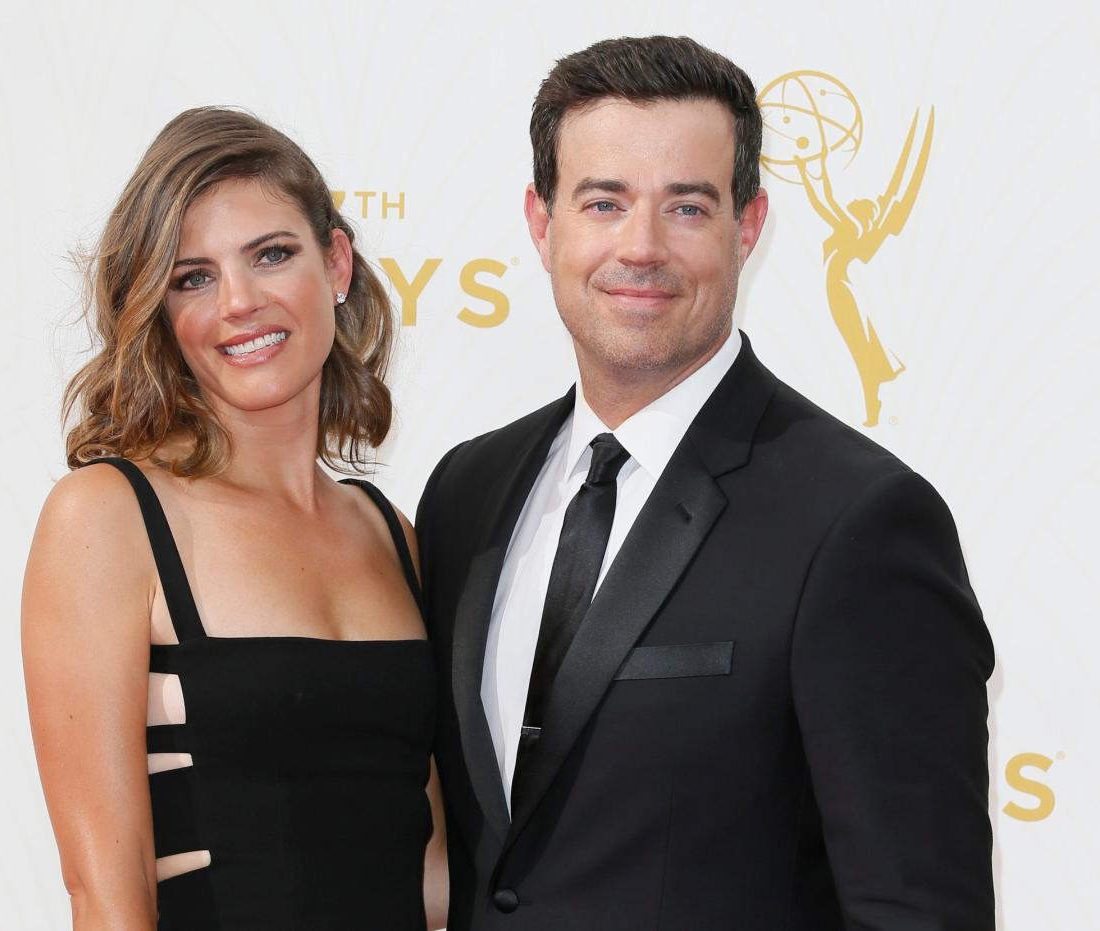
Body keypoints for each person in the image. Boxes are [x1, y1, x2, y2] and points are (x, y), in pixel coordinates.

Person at [415, 35, 994, 930]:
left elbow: (917, 908)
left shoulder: (859, 520)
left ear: (748, 225)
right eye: (603, 202)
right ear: (541, 222)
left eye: (686, 207)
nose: (640, 247)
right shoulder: (465, 492)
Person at [22, 107, 447, 930]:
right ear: (159, 308)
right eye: (194, 277)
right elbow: (106, 892)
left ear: (336, 264)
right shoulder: (109, 519)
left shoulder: (392, 532)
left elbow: (429, 870)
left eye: (272, 255)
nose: (240, 303)